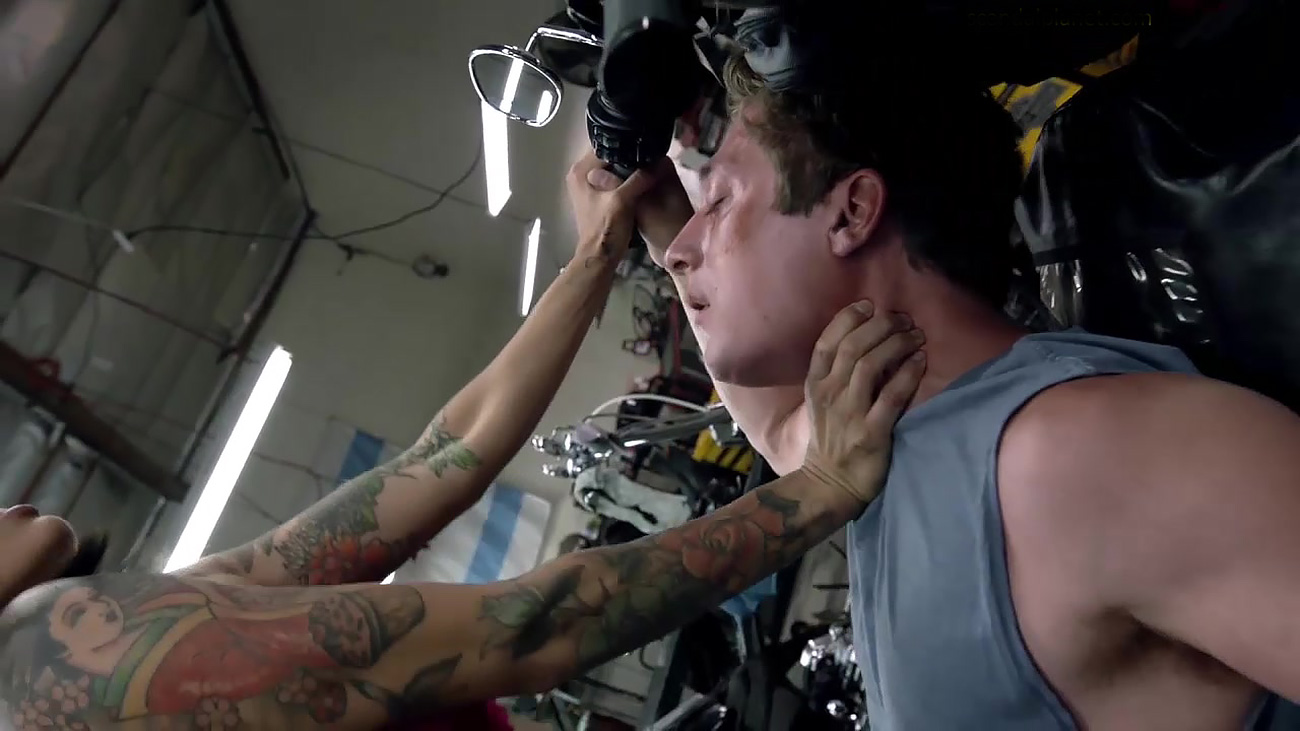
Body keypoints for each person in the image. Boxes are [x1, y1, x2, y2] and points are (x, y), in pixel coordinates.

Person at [0, 149, 927, 731]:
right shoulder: (44, 657)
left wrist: (596, 256)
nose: (6, 505)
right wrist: (823, 487)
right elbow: (534, 623)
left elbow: (445, 456)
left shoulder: (128, 624)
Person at [598, 43, 1300, 730]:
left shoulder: (1081, 460)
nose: (681, 251)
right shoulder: (873, 437)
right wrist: (654, 215)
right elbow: (775, 425)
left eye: (719, 201)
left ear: (852, 212)